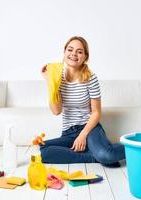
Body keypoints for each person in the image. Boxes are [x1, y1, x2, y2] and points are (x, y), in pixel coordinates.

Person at [40, 36, 125, 167]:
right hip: (68, 132)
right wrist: (51, 82)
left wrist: (83, 135)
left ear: (85, 57)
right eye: (70, 49)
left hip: (89, 129)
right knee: (43, 151)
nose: (74, 54)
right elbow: (56, 111)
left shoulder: (90, 78)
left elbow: (96, 112)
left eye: (79, 51)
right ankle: (93, 156)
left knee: (106, 155)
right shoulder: (57, 76)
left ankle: (121, 150)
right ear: (64, 52)